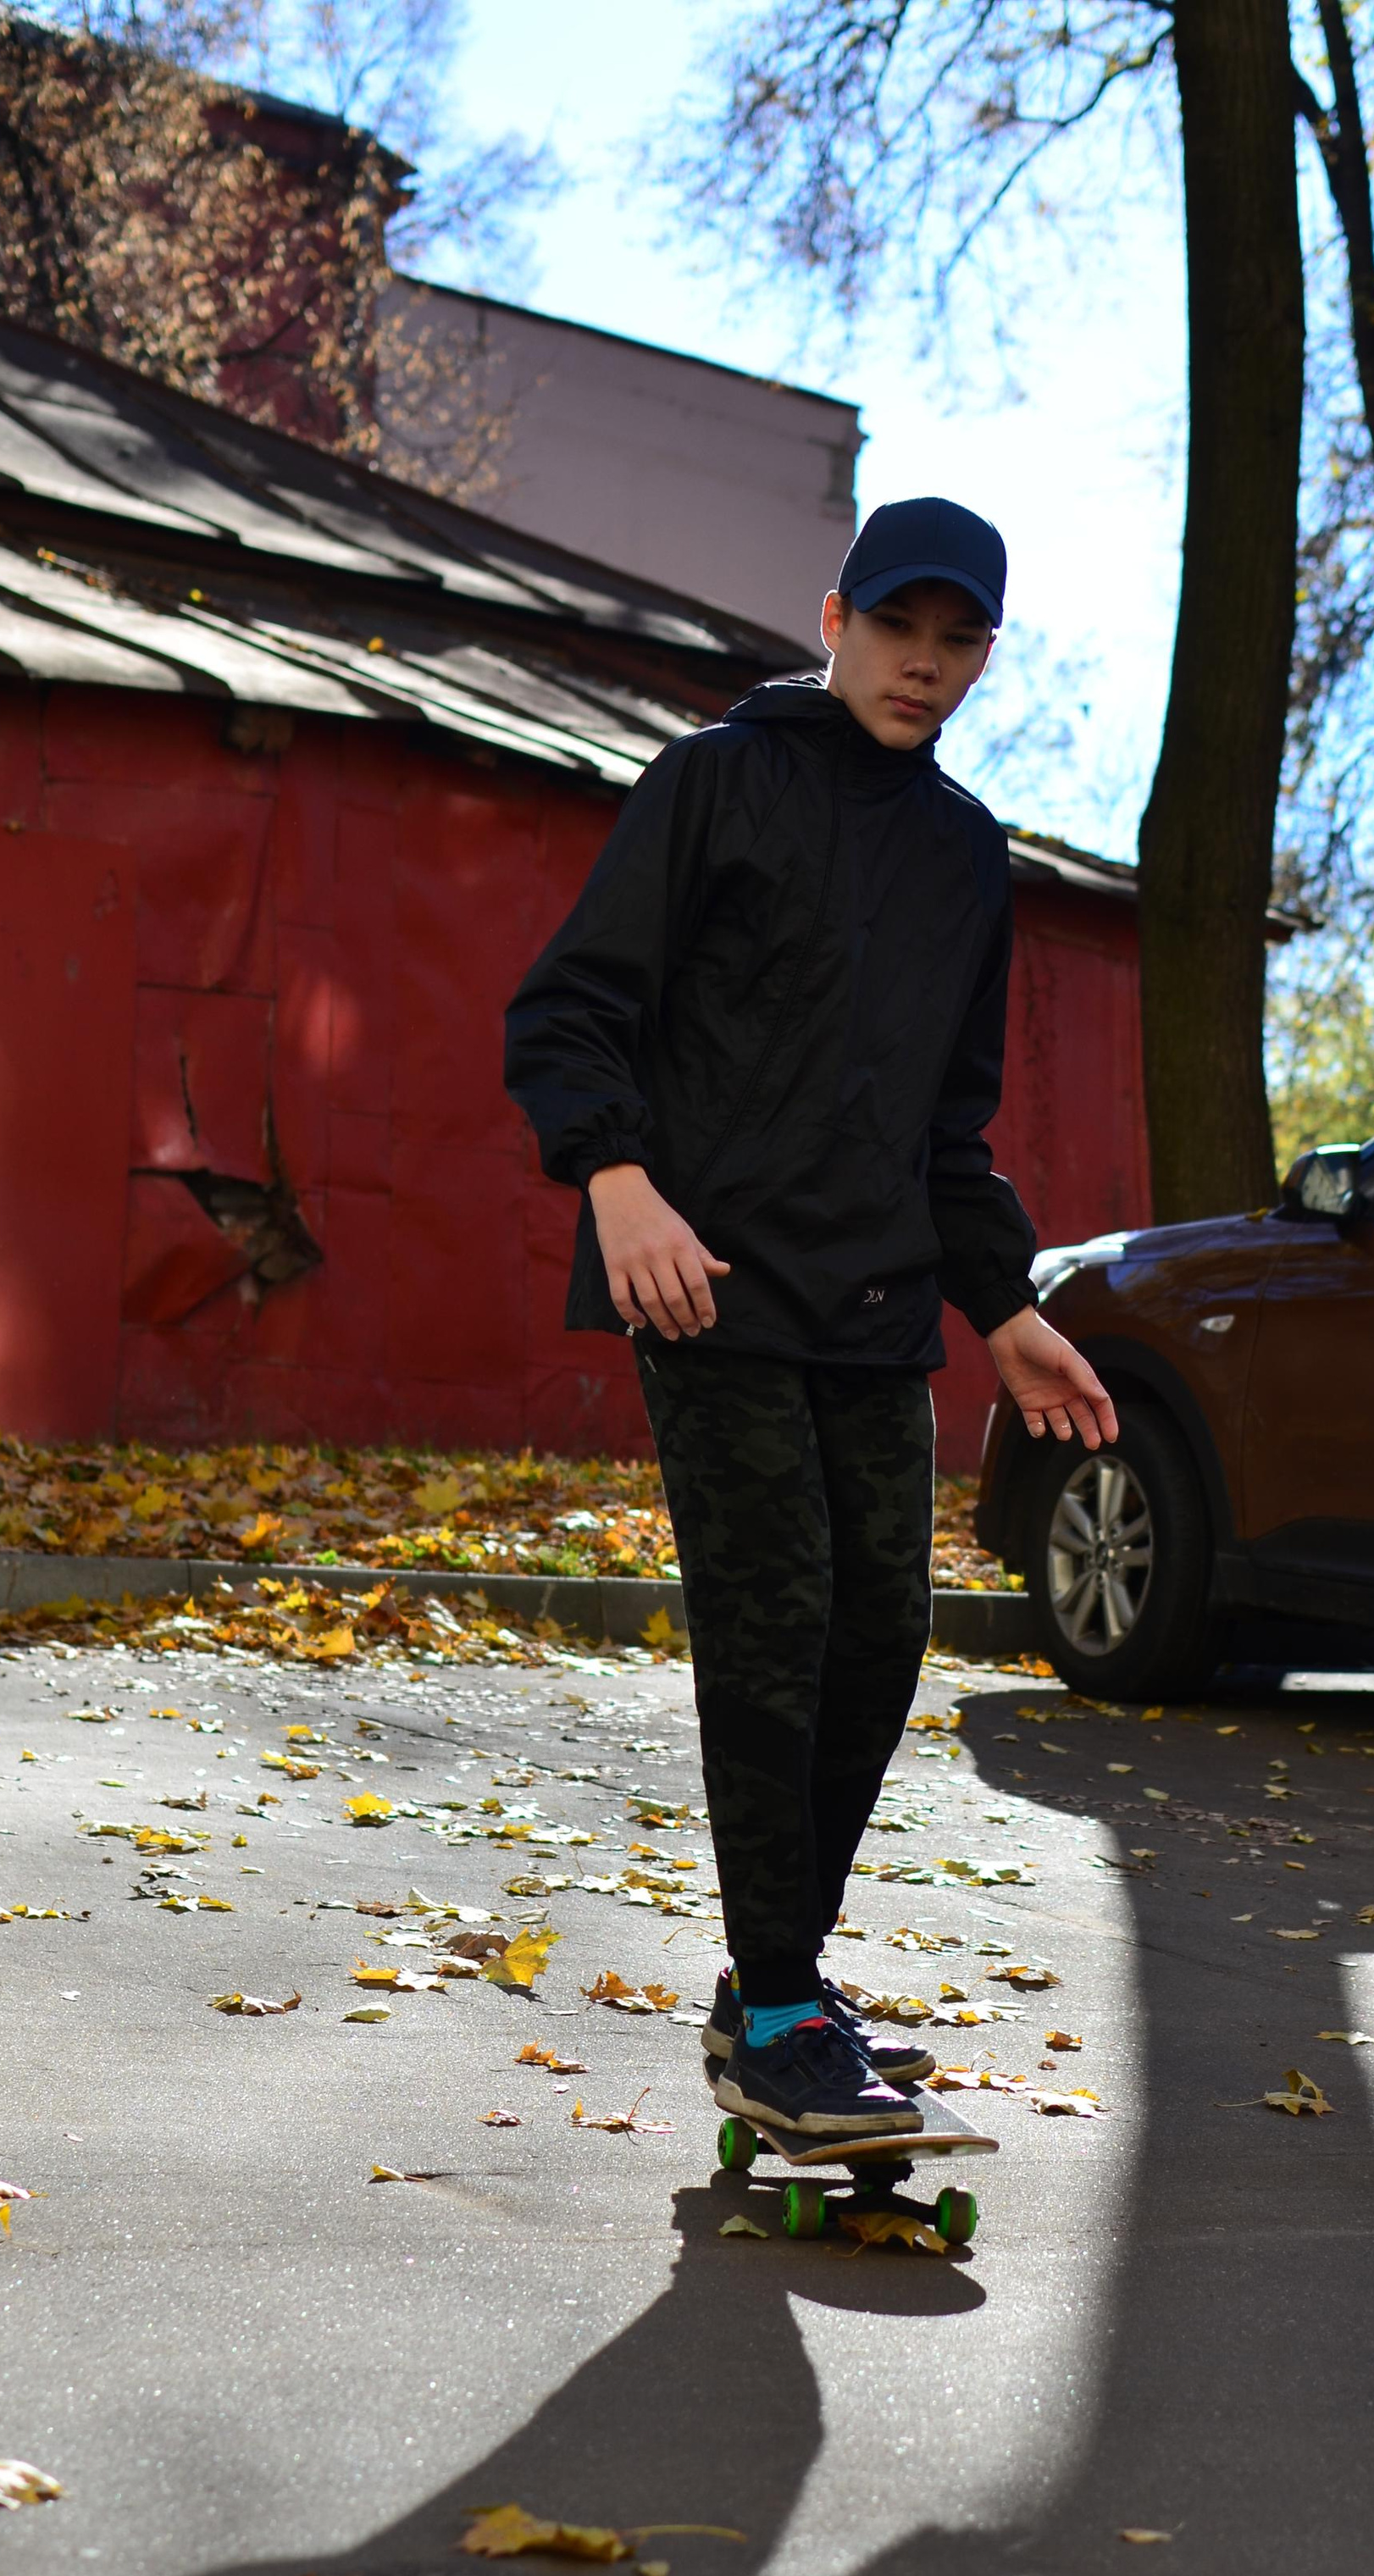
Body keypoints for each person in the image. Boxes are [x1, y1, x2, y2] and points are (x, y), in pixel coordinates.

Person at [505, 496, 1115, 2140]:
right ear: (833, 618)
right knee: (774, 1633)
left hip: (869, 1296)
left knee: (874, 1640)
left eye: (955, 641)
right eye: (896, 629)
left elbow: (947, 1132)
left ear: (982, 653)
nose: (921, 666)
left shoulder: (960, 854)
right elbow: (569, 1009)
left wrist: (1004, 1306)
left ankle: (774, 1980)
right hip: (702, 1284)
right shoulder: (715, 780)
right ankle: (777, 1997)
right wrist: (614, 1181)